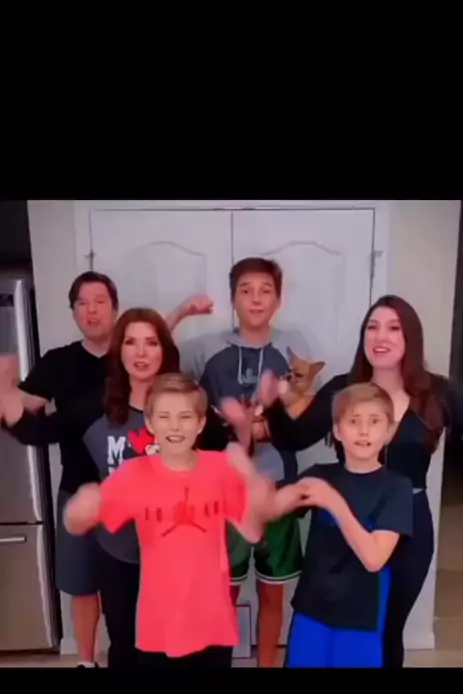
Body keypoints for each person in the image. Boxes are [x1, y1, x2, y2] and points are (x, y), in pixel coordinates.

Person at [226, 295, 463, 668]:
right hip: (343, 517)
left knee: (387, 629)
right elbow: (295, 437)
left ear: (410, 337)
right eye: (372, 327)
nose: (381, 336)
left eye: (393, 328)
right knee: (331, 624)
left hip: (408, 522)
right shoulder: (344, 388)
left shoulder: (437, 392)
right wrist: (273, 404)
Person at [0, 271, 214, 668]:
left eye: (151, 343)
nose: (141, 352)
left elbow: (222, 459)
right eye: (130, 342)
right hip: (120, 553)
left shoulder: (187, 401)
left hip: (179, 550)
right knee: (126, 643)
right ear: (120, 351)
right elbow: (36, 431)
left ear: (163, 350)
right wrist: (4, 391)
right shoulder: (95, 407)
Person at [62, 373, 274, 669]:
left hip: (214, 624)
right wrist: (79, 508)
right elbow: (76, 524)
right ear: (150, 424)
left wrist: (250, 477)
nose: (175, 426)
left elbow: (252, 531)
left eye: (185, 417)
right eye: (164, 416)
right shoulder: (133, 474)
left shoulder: (220, 468)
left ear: (200, 423)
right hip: (159, 627)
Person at [181, 257, 311, 667]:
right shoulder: (204, 350)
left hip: (276, 491)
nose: (256, 299)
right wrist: (181, 313)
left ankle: (266, 663)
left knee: (273, 591)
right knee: (225, 590)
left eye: (265, 290)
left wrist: (266, 425)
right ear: (233, 298)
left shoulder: (294, 349)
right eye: (246, 290)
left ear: (278, 299)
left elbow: (304, 414)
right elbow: (159, 375)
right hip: (221, 494)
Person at [256, 383, 413, 667]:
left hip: (361, 619)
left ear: (389, 432)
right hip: (311, 612)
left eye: (374, 422)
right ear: (337, 431)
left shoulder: (396, 488)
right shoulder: (320, 475)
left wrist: (333, 502)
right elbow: (269, 510)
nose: (364, 431)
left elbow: (374, 559)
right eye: (354, 421)